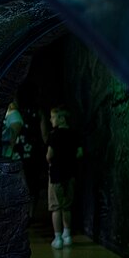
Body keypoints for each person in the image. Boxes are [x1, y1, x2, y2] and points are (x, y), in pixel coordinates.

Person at [46, 106, 83, 249]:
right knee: (67, 207)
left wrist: (51, 161)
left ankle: (58, 238)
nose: (51, 119)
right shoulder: (74, 134)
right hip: (70, 174)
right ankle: (67, 236)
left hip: (56, 175)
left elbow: (49, 155)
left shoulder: (53, 135)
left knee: (56, 207)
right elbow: (79, 153)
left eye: (53, 116)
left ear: (61, 118)